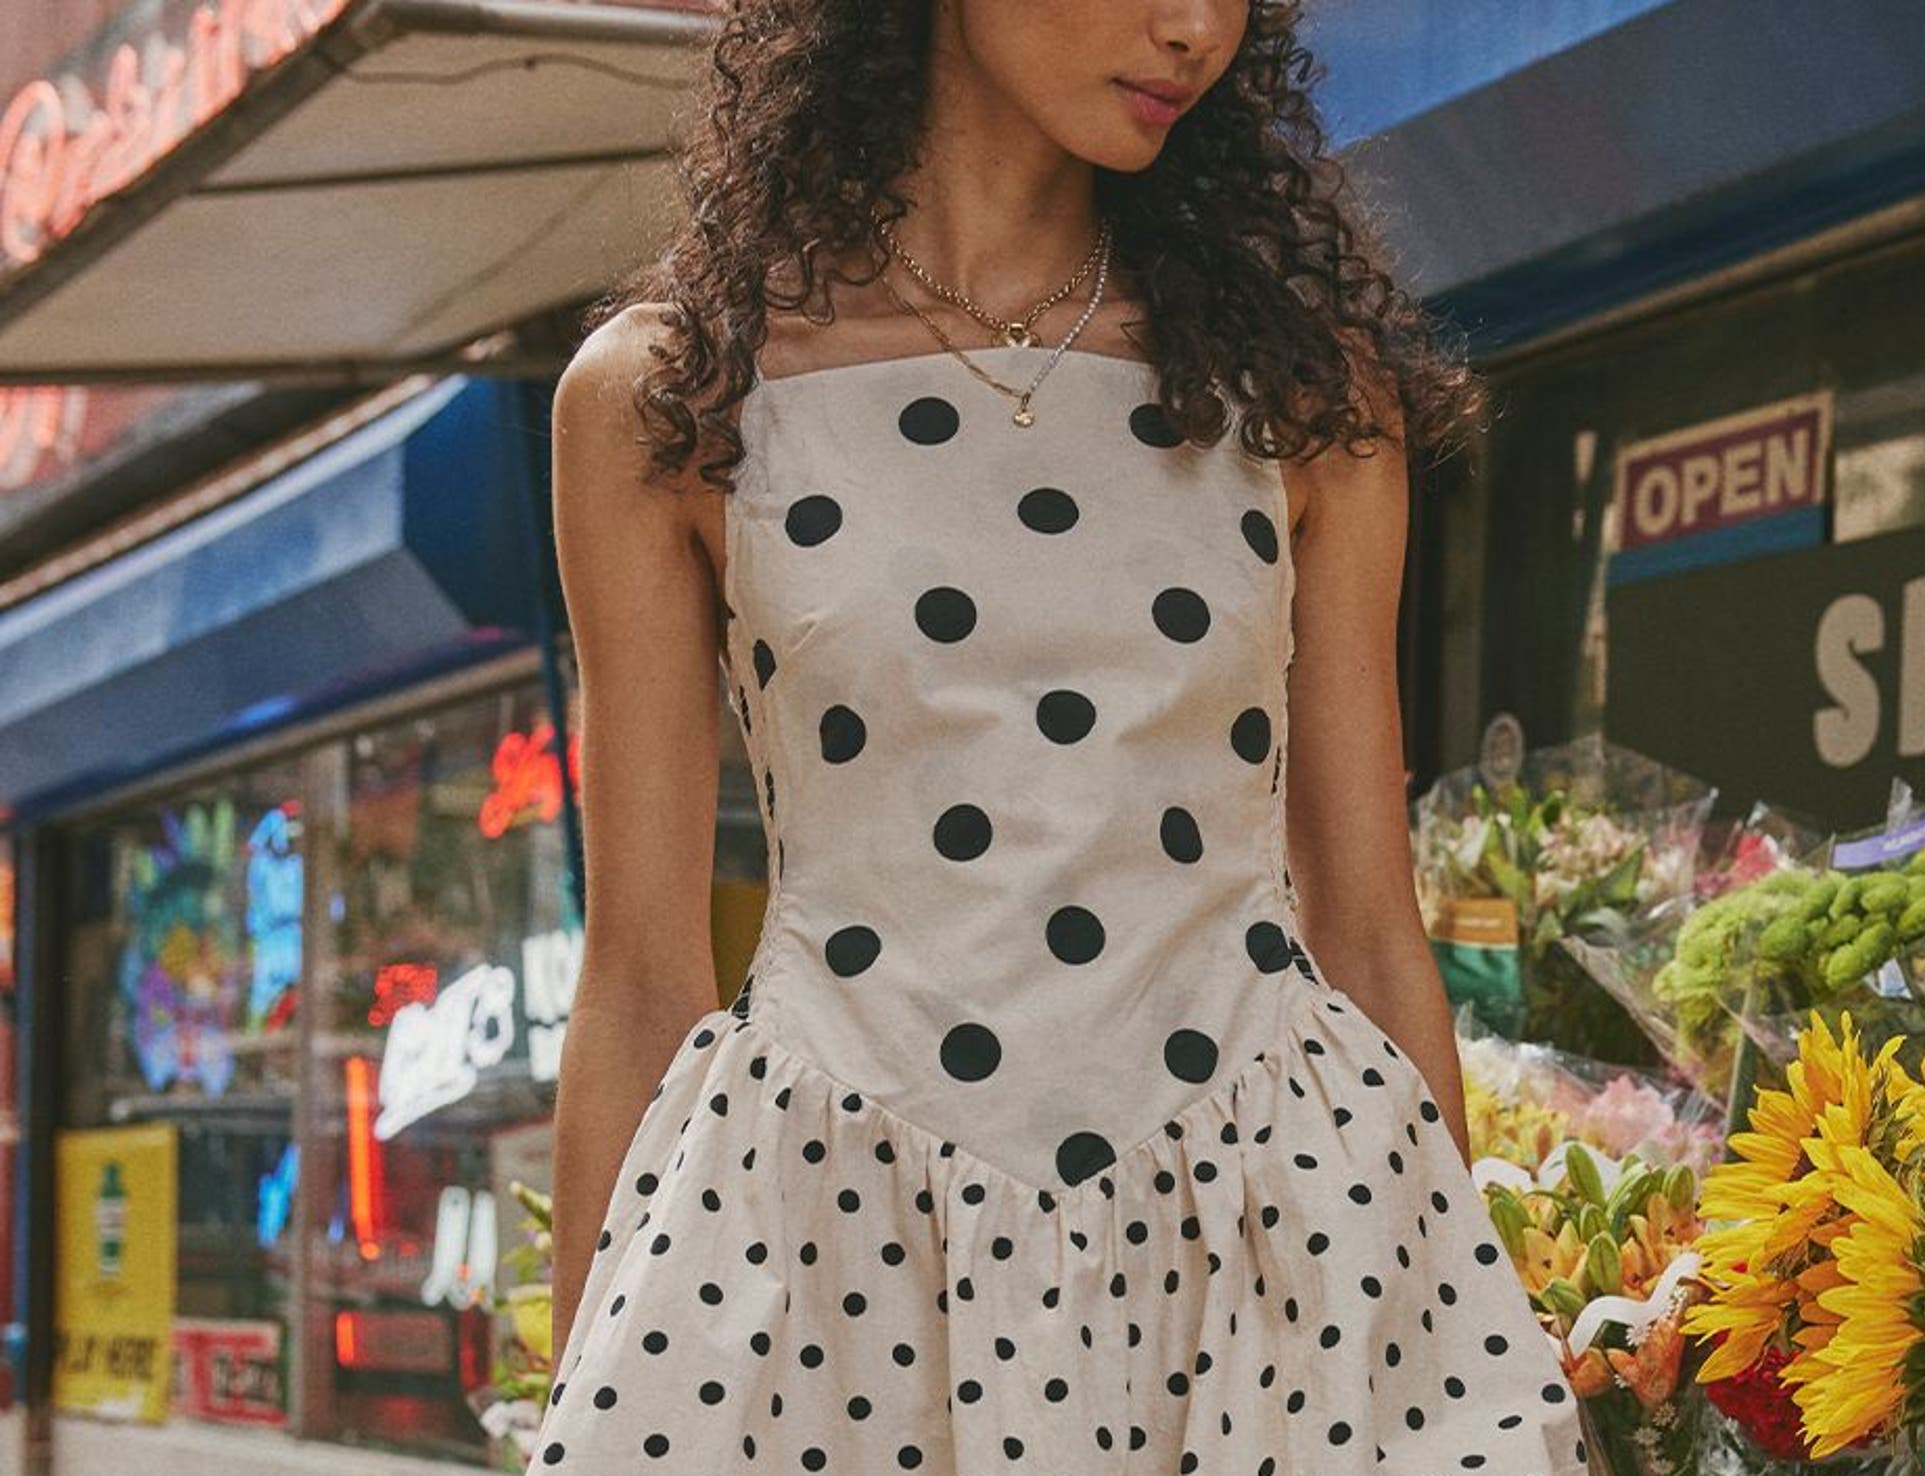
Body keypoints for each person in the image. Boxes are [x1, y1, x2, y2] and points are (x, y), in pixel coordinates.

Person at [532, 1, 1590, 1470]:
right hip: (837, 1260)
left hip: (1264, 1240)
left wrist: (1443, 1345)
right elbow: (639, 970)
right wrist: (589, 1400)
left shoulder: (1303, 396)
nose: (1194, 30)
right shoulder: (672, 400)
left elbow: (1364, 915)